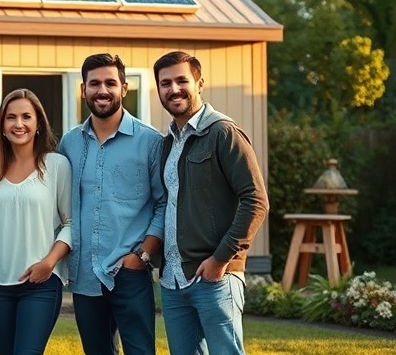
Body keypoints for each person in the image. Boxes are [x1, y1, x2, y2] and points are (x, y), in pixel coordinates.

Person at [153, 51, 269, 355]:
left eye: (182, 80)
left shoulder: (223, 133)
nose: (174, 89)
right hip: (173, 281)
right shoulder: (168, 143)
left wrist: (221, 260)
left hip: (215, 277)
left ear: (199, 83)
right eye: (166, 83)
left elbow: (256, 200)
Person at [58, 54, 165, 355]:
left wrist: (143, 254)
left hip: (129, 271)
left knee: (140, 351)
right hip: (84, 275)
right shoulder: (69, 143)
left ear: (124, 88)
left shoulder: (150, 141)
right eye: (94, 84)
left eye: (110, 83)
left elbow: (164, 203)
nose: (102, 90)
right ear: (83, 89)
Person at [0, 88, 72, 355]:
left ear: (38, 124)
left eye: (26, 117)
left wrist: (49, 263)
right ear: (2, 127)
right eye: (11, 117)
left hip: (40, 284)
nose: (18, 124)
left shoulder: (56, 166)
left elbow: (71, 223)